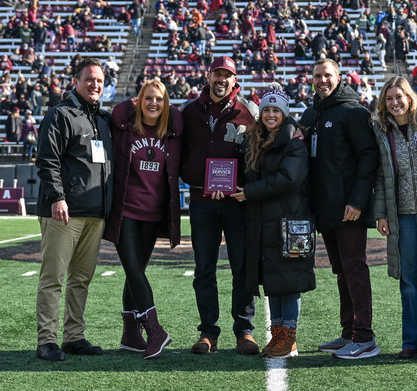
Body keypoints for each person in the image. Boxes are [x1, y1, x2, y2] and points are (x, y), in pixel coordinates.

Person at [180, 56, 260, 355]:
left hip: (237, 202)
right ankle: (209, 331)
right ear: (209, 76)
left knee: (241, 267)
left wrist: (244, 187)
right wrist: (196, 180)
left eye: (227, 75)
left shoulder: (249, 111)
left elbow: (256, 156)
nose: (222, 80)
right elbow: (179, 152)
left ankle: (244, 330)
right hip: (202, 201)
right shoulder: (189, 111)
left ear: (234, 80)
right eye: (217, 74)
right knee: (204, 269)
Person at [34, 58, 114, 362]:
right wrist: (57, 196)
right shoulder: (60, 114)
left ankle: (74, 336)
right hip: (63, 211)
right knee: (53, 277)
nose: (95, 85)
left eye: (99, 81)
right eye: (89, 79)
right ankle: (46, 340)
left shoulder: (103, 120)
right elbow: (47, 159)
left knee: (81, 279)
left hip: (95, 213)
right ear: (75, 82)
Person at [302, 58, 380, 360]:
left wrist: (358, 201)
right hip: (326, 209)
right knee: (341, 271)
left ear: (339, 78)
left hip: (349, 209)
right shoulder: (312, 113)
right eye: (317, 76)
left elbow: (368, 157)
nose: (322, 80)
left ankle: (365, 338)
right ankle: (349, 332)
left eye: (328, 75)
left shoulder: (354, 112)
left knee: (355, 269)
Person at [232, 85, 314, 359]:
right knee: (275, 279)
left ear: (284, 113)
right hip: (266, 220)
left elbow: (289, 179)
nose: (270, 114)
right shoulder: (256, 139)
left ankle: (288, 334)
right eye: (266, 109)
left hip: (289, 220)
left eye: (275, 110)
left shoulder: (294, 141)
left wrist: (250, 193)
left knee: (288, 279)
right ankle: (278, 332)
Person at [104, 79, 184, 360]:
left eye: (159, 99)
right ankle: (155, 329)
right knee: (134, 269)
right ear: (139, 101)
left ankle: (130, 335)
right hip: (125, 211)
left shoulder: (170, 131)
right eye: (148, 98)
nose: (154, 104)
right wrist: (137, 100)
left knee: (134, 271)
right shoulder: (126, 127)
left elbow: (179, 119)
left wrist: (166, 103)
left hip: (153, 214)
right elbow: (116, 112)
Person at [371, 75, 417, 361]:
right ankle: (411, 340)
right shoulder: (381, 130)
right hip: (400, 215)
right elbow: (380, 175)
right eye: (389, 99)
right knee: (409, 280)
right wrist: (380, 213)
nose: (394, 103)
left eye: (398, 97)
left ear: (409, 97)